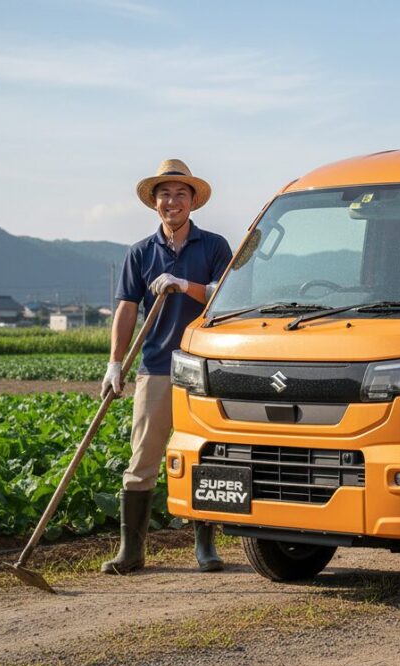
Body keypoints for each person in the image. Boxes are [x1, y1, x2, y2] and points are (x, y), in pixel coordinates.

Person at [100, 159, 233, 575]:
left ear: (193, 201)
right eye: (165, 195)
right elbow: (126, 309)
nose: (172, 201)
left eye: (180, 194)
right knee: (143, 458)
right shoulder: (139, 253)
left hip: (204, 368)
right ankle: (132, 551)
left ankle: (205, 547)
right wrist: (115, 362)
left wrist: (183, 285)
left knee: (205, 455)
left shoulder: (215, 247)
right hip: (156, 366)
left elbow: (225, 297)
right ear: (154, 203)